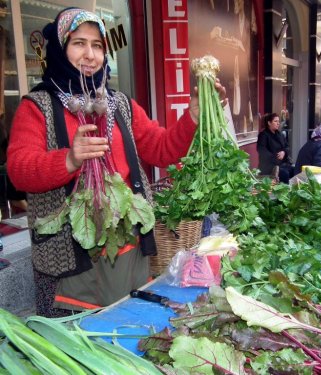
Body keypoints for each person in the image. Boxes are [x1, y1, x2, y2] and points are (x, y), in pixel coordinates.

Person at [6, 8, 226, 317]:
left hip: (127, 250)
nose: (90, 54)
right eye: (78, 43)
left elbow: (161, 149)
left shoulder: (119, 103)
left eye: (97, 46)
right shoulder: (37, 107)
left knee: (128, 328)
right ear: (59, 48)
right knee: (77, 347)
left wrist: (191, 117)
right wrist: (69, 159)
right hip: (69, 260)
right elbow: (19, 171)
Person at [257, 112, 294, 183]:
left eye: (278, 121)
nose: (278, 123)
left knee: (294, 170)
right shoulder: (263, 135)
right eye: (275, 121)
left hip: (282, 163)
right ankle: (283, 192)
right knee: (284, 174)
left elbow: (287, 146)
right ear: (269, 123)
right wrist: (275, 157)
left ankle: (291, 191)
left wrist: (284, 152)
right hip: (269, 166)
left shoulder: (279, 134)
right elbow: (262, 151)